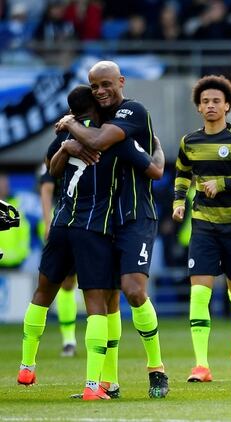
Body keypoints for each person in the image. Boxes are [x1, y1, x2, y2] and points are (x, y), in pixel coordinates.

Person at [20, 85, 161, 400]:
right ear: (97, 108)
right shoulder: (112, 139)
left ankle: (27, 364)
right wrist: (158, 148)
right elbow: (155, 170)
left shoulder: (64, 139)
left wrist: (67, 140)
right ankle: (94, 385)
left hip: (60, 225)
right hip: (94, 229)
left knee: (44, 293)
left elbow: (52, 173)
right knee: (101, 304)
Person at [55, 61, 169, 398]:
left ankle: (156, 368)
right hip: (101, 220)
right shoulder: (94, 120)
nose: (101, 91)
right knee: (106, 299)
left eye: (107, 84)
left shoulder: (131, 111)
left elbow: (102, 142)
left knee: (133, 290)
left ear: (120, 81)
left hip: (135, 216)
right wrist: (68, 141)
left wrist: (71, 127)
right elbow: (58, 163)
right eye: (95, 87)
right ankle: (108, 381)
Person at [172, 75, 231, 382]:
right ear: (199, 107)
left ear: (227, 105)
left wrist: (224, 183)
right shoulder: (190, 142)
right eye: (205, 101)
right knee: (199, 293)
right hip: (203, 226)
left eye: (216, 101)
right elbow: (183, 174)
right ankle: (201, 365)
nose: (211, 105)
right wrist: (178, 202)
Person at [39, 166, 79, 357]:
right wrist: (48, 223)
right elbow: (46, 186)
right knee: (67, 283)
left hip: (98, 221)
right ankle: (69, 340)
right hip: (68, 224)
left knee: (106, 286)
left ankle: (105, 339)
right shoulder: (60, 148)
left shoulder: (102, 144)